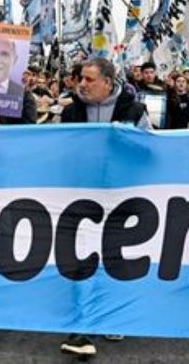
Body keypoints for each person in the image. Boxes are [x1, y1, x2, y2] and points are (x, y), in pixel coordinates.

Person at [58, 57, 149, 357]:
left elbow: (149, 152)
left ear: (108, 82)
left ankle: (111, 315)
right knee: (82, 257)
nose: (81, 84)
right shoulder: (71, 111)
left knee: (115, 258)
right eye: (80, 78)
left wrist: (126, 143)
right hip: (82, 196)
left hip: (120, 197)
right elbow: (58, 150)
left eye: (88, 79)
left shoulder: (135, 111)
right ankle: (82, 326)